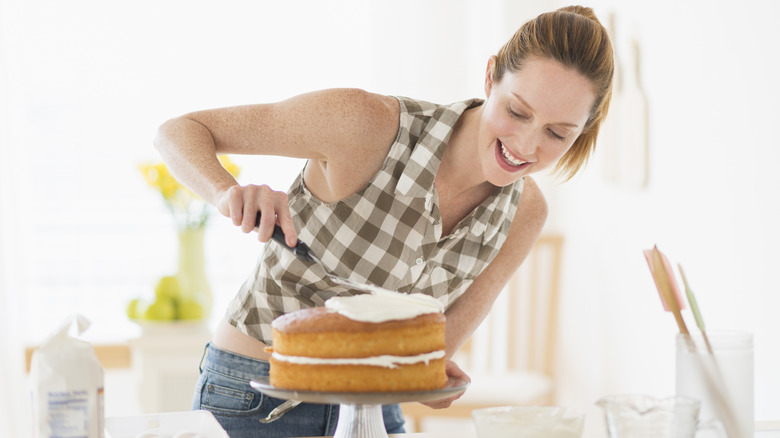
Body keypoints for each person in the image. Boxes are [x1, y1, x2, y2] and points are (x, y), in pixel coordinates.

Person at [154, 5, 614, 437]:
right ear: (491, 76)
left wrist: (429, 371)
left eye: (557, 134)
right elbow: (179, 131)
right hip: (256, 398)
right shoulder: (365, 124)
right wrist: (227, 191)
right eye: (517, 111)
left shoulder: (525, 213)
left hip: (379, 411)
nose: (527, 145)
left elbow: (436, 349)